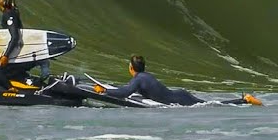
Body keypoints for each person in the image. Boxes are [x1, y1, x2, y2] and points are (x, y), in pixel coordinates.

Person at [92, 55, 261, 106]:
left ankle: (245, 100)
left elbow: (125, 93)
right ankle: (244, 99)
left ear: (131, 68)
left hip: (179, 99)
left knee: (213, 104)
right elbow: (127, 88)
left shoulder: (138, 79)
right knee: (212, 103)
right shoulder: (144, 76)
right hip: (180, 95)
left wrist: (105, 91)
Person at [0, 0, 49, 81]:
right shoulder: (14, 11)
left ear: (3, 2)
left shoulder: (8, 14)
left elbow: (15, 37)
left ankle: (30, 76)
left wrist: (5, 56)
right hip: (20, 48)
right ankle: (38, 64)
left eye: (0, 0)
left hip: (17, 49)